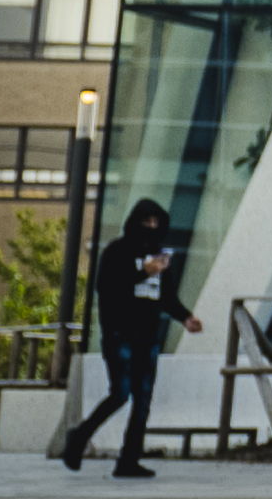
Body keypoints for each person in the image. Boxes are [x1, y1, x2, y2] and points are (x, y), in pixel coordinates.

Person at [59, 199, 200, 481]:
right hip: (120, 333)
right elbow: (108, 288)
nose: (150, 227)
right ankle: (80, 436)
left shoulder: (161, 257)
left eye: (155, 222)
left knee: (143, 400)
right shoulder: (118, 251)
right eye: (146, 221)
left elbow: (166, 297)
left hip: (148, 337)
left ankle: (129, 459)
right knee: (120, 393)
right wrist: (142, 273)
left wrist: (185, 317)